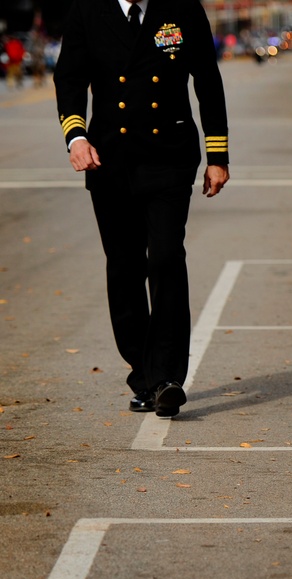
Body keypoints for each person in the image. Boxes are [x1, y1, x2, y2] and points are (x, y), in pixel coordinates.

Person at [54, 0, 230, 418]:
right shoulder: (85, 9)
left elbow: (207, 77)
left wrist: (217, 154)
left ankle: (167, 377)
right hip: (108, 158)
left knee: (168, 257)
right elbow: (70, 78)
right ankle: (143, 374)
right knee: (125, 266)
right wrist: (75, 137)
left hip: (168, 155)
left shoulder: (181, 6)